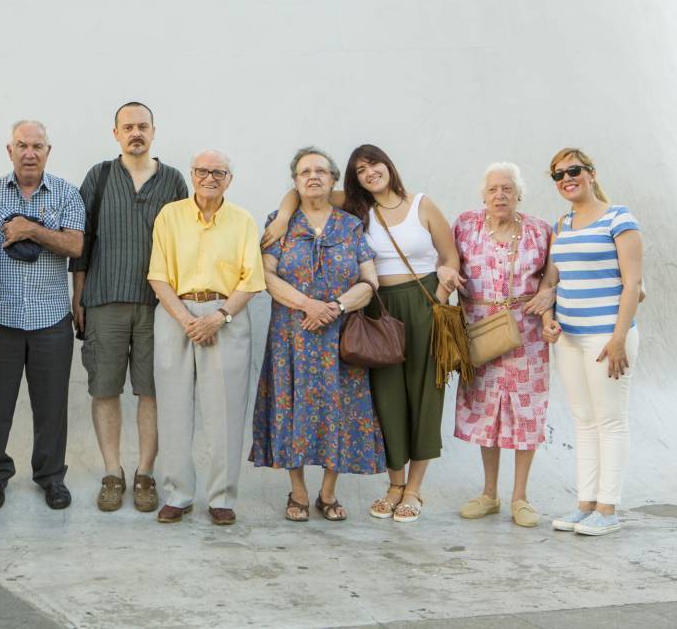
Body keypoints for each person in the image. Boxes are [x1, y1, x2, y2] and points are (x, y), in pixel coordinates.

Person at [260, 143, 463, 523]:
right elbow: (296, 204)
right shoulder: (351, 208)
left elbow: (449, 255)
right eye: (362, 169)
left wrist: (439, 290)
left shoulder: (400, 209)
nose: (370, 173)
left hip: (400, 309)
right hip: (352, 319)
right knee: (384, 401)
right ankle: (385, 486)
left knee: (423, 398)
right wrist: (284, 216)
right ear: (353, 180)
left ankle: (411, 492)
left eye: (375, 165)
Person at [250, 147, 385, 522]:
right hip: (291, 336)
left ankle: (328, 494)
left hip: (338, 337)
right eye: (305, 171)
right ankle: (297, 492)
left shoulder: (350, 225)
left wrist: (336, 307)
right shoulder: (280, 222)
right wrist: (308, 305)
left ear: (333, 180)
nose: (313, 177)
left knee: (339, 410)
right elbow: (266, 275)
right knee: (291, 407)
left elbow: (369, 282)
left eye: (321, 171)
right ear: (295, 181)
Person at [70, 102, 188, 513]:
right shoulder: (99, 176)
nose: (135, 132)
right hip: (103, 300)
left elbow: (184, 243)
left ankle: (145, 474)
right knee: (105, 389)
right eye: (128, 127)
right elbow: (82, 242)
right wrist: (79, 295)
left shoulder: (173, 180)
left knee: (151, 392)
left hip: (160, 304)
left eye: (142, 126)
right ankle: (112, 473)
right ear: (115, 133)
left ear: (153, 131)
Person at [148, 149, 264, 526]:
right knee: (174, 408)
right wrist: (186, 320)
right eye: (203, 171)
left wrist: (219, 316)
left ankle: (222, 497)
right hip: (175, 314)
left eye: (219, 172)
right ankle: (178, 495)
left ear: (229, 179)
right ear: (192, 174)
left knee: (225, 412)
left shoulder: (243, 220)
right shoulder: (170, 215)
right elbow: (158, 275)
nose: (210, 177)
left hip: (225, 317)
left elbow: (252, 280)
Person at [0, 120, 85, 510]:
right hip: (0, 315)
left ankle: (51, 477)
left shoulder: (67, 194)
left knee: (51, 404)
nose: (30, 152)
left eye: (37, 146)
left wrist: (32, 231)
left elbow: (74, 245)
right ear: (10, 150)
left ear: (48, 152)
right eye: (22, 145)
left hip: (51, 318)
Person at [542, 148, 642, 536]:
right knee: (584, 421)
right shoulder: (562, 224)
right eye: (557, 175)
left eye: (573, 170)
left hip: (606, 337)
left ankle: (608, 509)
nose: (566, 178)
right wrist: (550, 321)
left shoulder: (620, 218)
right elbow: (551, 282)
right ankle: (585, 505)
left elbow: (632, 284)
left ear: (590, 173)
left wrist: (618, 339)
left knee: (610, 420)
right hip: (569, 338)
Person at [453, 163, 554, 528]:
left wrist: (549, 297)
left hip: (526, 335)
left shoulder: (541, 231)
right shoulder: (465, 225)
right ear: (483, 195)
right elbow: (448, 263)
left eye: (507, 189)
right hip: (482, 333)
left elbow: (551, 277)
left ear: (518, 194)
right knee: (487, 412)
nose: (500, 195)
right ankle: (489, 494)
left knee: (526, 413)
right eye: (494, 189)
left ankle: (520, 498)